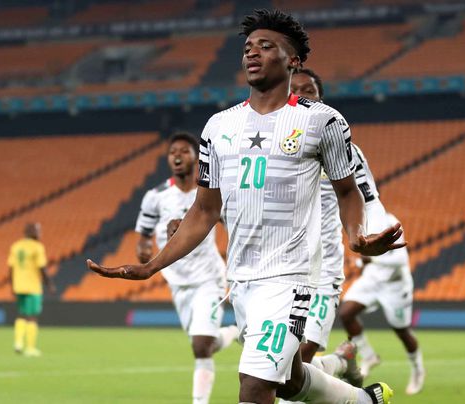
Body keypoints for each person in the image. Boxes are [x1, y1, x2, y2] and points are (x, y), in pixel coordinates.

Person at [87, 9, 403, 404]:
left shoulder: (322, 122)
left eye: (266, 46)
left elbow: (346, 191)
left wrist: (356, 237)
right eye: (248, 47)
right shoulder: (218, 127)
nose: (252, 53)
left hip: (291, 277)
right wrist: (152, 265)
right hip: (241, 281)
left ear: (293, 60)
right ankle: (363, 401)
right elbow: (204, 211)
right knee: (288, 380)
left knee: (254, 387)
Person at [135, 131, 239, 404]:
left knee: (200, 345)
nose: (177, 156)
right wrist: (144, 250)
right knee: (206, 344)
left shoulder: (209, 193)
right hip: (177, 282)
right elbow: (144, 236)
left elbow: (233, 227)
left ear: (196, 157)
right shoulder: (155, 196)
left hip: (209, 278)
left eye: (184, 151)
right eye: (173, 152)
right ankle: (234, 331)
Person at [287, 67, 362, 389]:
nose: (301, 95)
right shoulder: (268, 147)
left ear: (321, 100)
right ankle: (341, 360)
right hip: (279, 269)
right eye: (294, 90)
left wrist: (361, 236)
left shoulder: (342, 150)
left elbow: (361, 196)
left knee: (299, 358)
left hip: (323, 270)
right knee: (284, 368)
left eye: (309, 90)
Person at [340, 212, 425, 396]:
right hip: (373, 279)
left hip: (395, 284)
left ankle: (417, 369)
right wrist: (363, 263)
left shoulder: (390, 222)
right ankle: (369, 357)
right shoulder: (361, 219)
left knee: (401, 331)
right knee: (346, 313)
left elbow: (401, 259)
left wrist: (371, 258)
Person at [8, 222, 55, 357]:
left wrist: (12, 285)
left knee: (21, 314)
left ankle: (18, 342)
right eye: (38, 230)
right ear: (31, 232)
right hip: (32, 286)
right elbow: (42, 268)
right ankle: (30, 348)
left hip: (18, 285)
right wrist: (49, 284)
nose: (40, 233)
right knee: (32, 316)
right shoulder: (37, 247)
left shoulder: (16, 246)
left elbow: (10, 268)